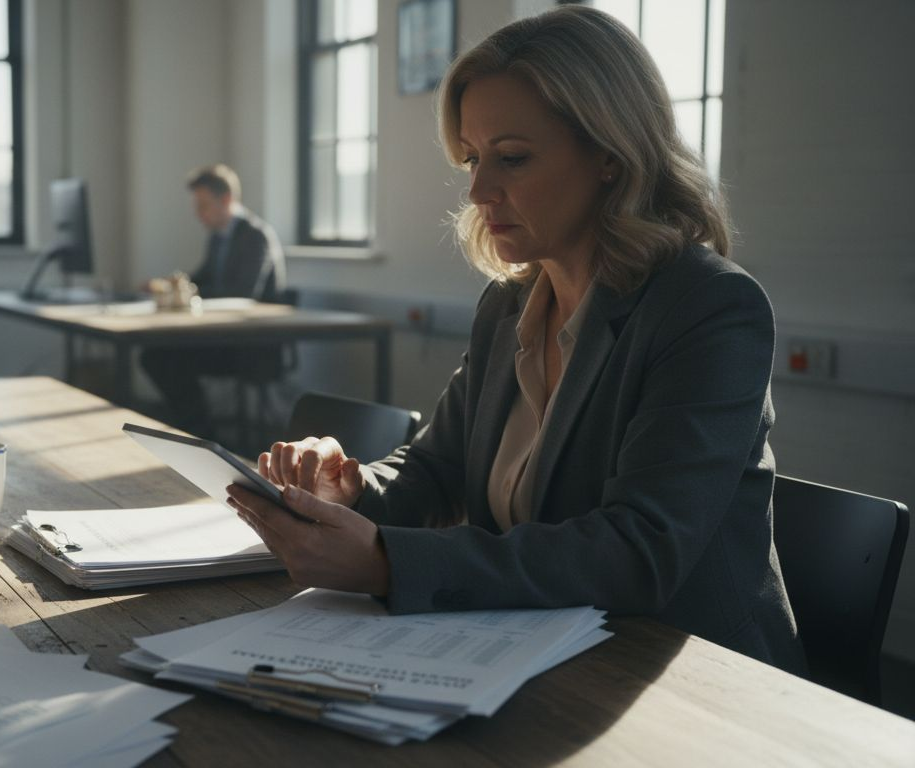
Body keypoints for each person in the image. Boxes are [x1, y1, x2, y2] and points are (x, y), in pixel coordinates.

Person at [226, 5, 807, 674]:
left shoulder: (708, 308)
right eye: (472, 158)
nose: (478, 189)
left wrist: (387, 561)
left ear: (611, 157)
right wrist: (348, 487)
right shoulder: (509, 305)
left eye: (512, 158)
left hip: (690, 675)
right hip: (534, 648)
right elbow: (436, 472)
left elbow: (640, 549)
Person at [140, 164, 286, 438]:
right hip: (220, 338)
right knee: (156, 355)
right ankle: (194, 429)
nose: (198, 214)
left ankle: (201, 434)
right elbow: (200, 280)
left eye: (203, 205)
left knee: (165, 360)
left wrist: (190, 293)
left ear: (227, 200)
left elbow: (242, 294)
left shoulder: (256, 236)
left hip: (250, 347)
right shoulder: (218, 238)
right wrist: (169, 287)